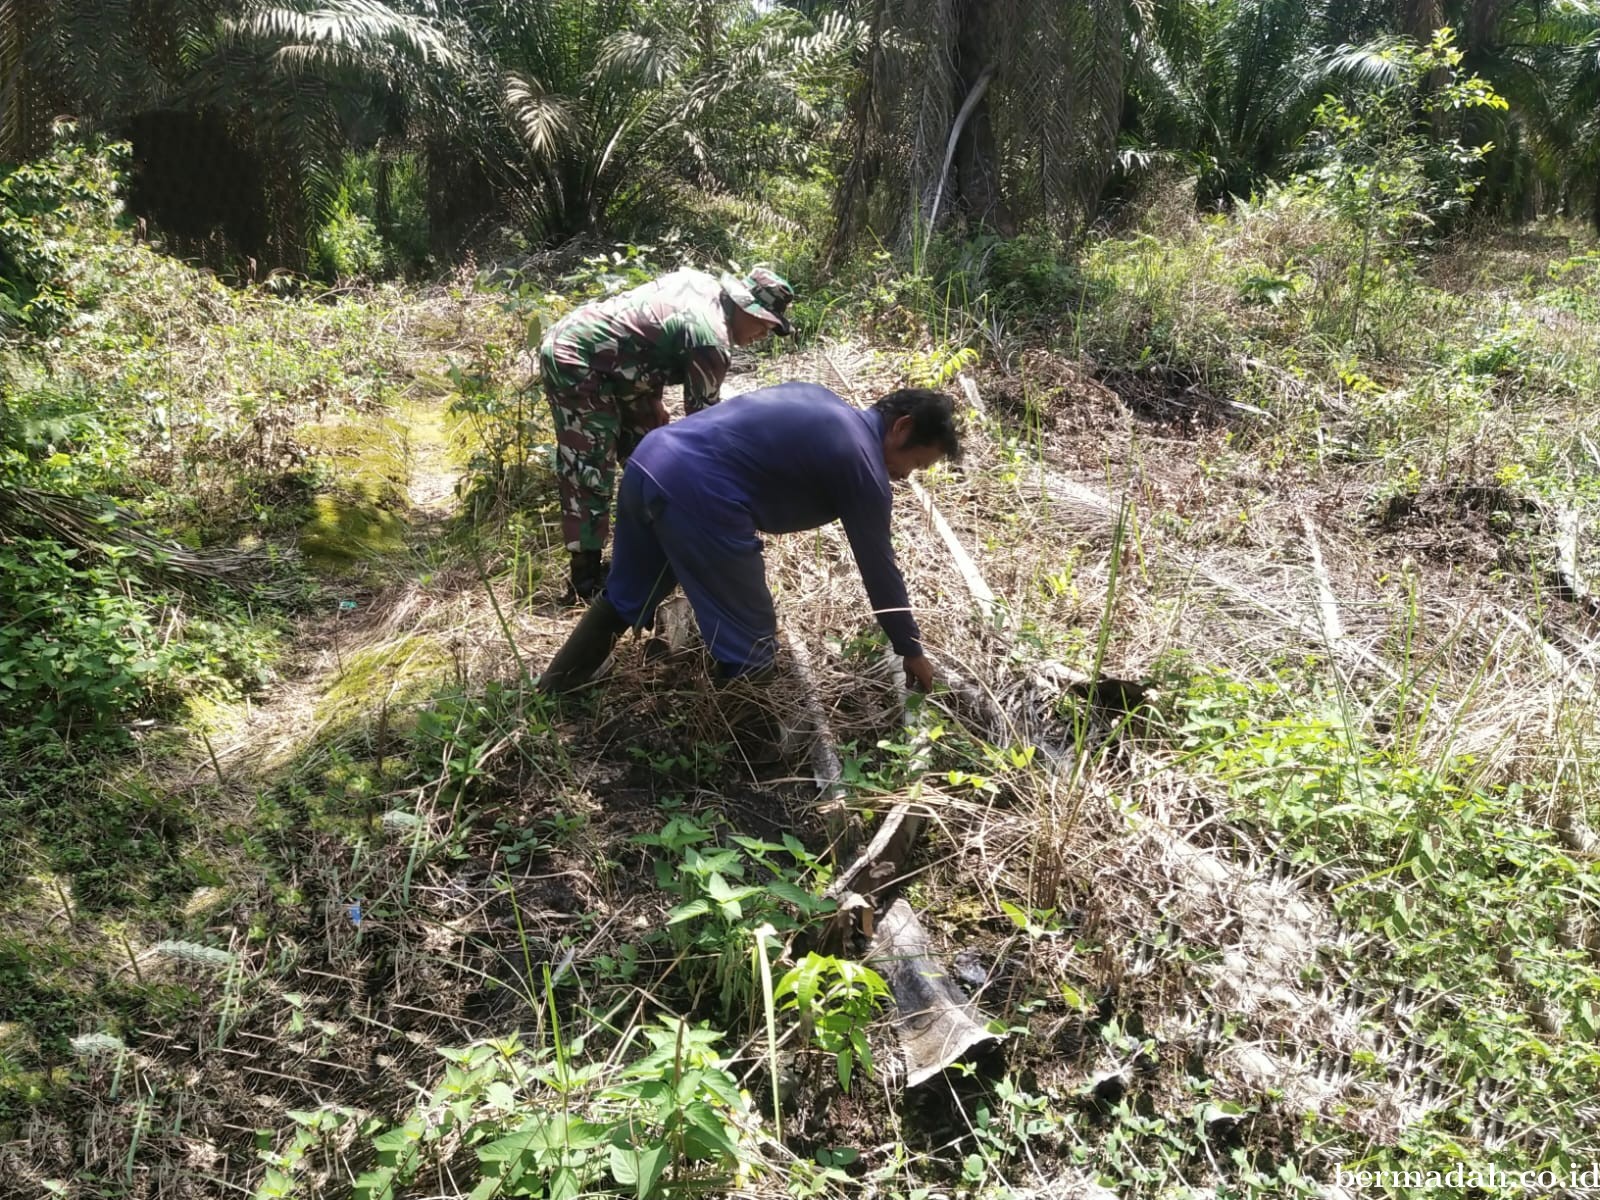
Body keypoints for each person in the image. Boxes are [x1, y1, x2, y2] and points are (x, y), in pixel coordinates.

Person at [536, 384, 962, 696]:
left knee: (629, 594)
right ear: (901, 428)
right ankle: (737, 765)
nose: (904, 476)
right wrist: (910, 649)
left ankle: (551, 693)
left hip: (650, 461)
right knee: (753, 642)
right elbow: (880, 568)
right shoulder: (864, 464)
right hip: (699, 493)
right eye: (915, 463)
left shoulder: (822, 400)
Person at [539, 266, 797, 602]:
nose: (762, 336)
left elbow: (650, 338)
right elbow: (705, 430)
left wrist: (652, 400)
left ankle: (649, 546)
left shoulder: (706, 287)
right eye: (764, 325)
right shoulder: (711, 340)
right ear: (745, 307)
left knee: (649, 450)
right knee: (591, 461)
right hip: (576, 355)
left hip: (622, 367)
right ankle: (585, 577)